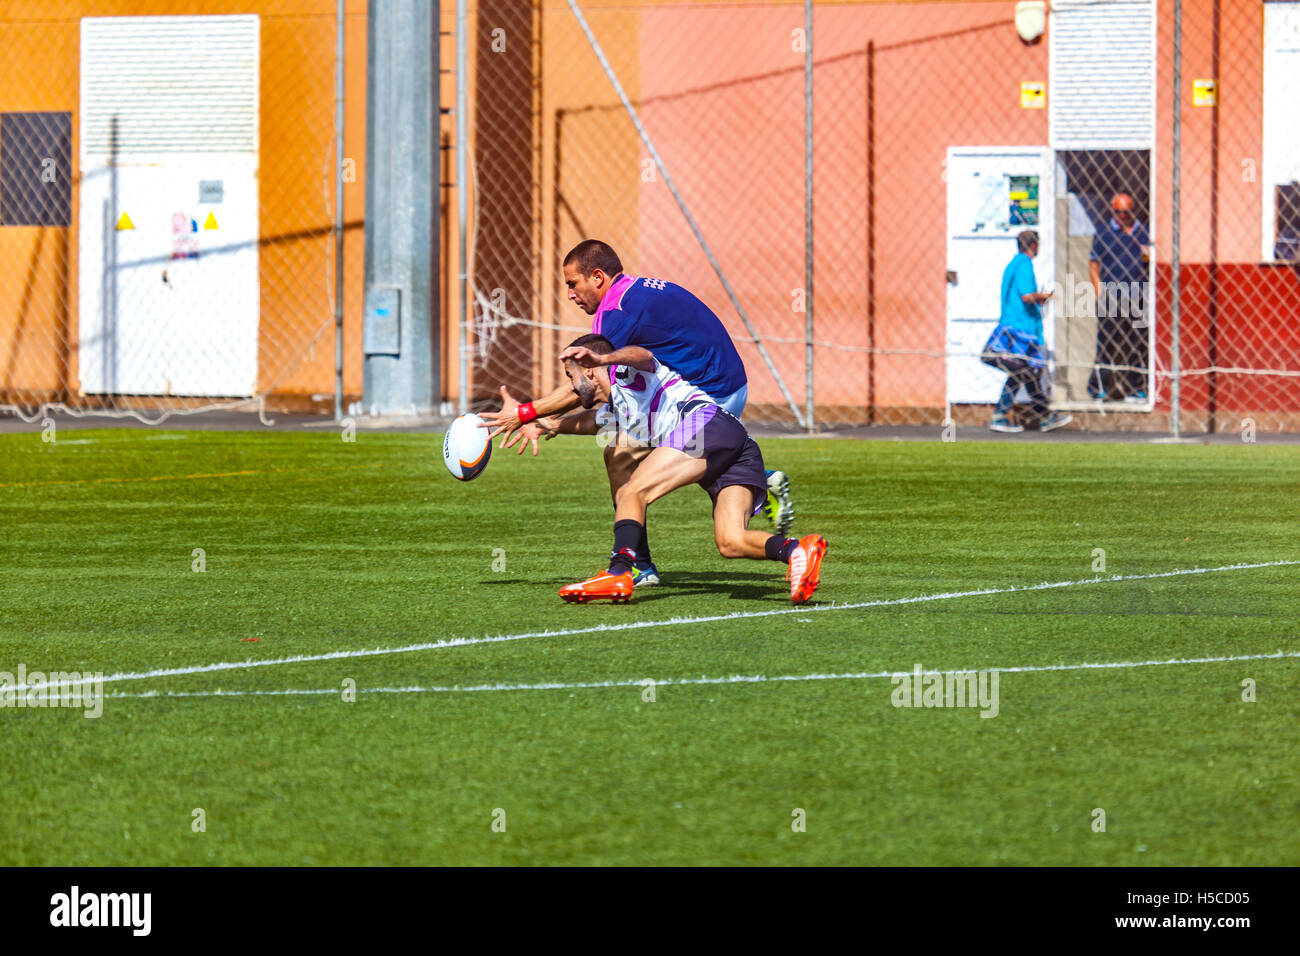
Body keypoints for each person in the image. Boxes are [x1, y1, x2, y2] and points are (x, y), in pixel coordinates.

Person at [479, 240, 796, 589]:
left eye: (573, 283)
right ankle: (753, 485)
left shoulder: (614, 314)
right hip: (721, 389)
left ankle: (633, 566)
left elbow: (588, 387)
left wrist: (525, 413)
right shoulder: (629, 294)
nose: (570, 293)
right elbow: (610, 409)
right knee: (621, 449)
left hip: (712, 396)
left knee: (629, 460)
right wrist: (550, 422)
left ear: (597, 277)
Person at [534, 334, 827, 605]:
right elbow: (591, 422)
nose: (571, 387)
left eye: (571, 376)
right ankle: (797, 550)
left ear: (588, 370)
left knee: (632, 490)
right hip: (736, 445)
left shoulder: (625, 374)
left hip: (706, 425)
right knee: (731, 542)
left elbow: (643, 355)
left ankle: (620, 570)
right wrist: (545, 424)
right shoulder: (616, 406)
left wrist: (605, 359)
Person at [985, 230, 1071, 433]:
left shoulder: (1013, 264)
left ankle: (1042, 416)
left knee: (1024, 372)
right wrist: (1046, 296)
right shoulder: (1024, 265)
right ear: (1034, 245)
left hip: (1016, 326)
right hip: (1020, 330)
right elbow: (1026, 296)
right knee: (1024, 371)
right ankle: (1007, 415)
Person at [1089, 192, 1151, 401]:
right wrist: (1099, 291)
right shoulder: (1104, 232)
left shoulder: (1142, 231)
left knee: (1137, 343)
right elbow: (1094, 264)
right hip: (1111, 296)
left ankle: (1135, 388)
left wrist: (1147, 254)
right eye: (1118, 212)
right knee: (1107, 343)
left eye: (1126, 212)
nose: (1122, 216)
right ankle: (1099, 387)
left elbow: (1149, 258)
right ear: (1112, 211)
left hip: (1137, 296)